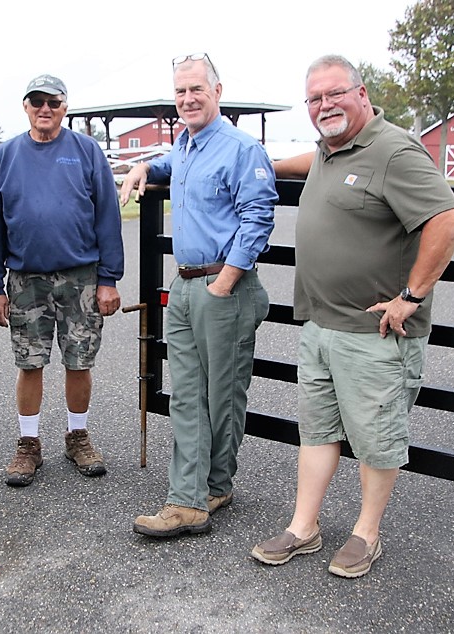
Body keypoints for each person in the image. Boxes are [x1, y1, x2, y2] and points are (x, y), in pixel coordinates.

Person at [250, 54, 454, 577]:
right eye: (315, 98)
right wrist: (266, 166)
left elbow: (448, 219)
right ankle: (304, 528)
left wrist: (410, 297)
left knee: (375, 439)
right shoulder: (330, 150)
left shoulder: (393, 149)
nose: (326, 105)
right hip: (321, 325)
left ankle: (366, 534)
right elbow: (308, 161)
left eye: (335, 93)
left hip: (375, 333)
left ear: (362, 93)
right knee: (317, 431)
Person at [120, 53, 277, 538]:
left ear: (217, 91)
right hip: (185, 287)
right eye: (180, 92)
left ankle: (213, 485)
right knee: (187, 397)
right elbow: (169, 164)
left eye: (196, 90)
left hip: (221, 286)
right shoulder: (185, 147)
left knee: (222, 395)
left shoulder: (240, 149)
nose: (187, 99)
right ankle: (190, 497)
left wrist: (226, 281)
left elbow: (258, 217)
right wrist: (143, 166)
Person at [0, 74, 124, 488]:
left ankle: (77, 435)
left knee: (79, 360)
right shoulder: (5, 156)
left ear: (65, 107)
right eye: (37, 101)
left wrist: (108, 279)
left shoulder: (86, 152)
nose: (45, 109)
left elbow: (107, 217)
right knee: (30, 362)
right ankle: (29, 444)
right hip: (26, 279)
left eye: (54, 102)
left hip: (81, 276)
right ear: (25, 106)